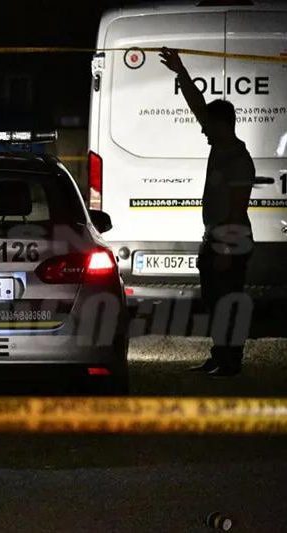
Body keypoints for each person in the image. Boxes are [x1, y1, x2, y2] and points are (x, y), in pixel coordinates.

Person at [160, 47, 255, 377]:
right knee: (216, 301)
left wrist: (226, 250)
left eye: (208, 126)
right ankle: (220, 355)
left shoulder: (238, 160)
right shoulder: (221, 147)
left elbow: (238, 210)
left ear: (222, 125)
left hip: (230, 241)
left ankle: (230, 361)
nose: (203, 130)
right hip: (215, 238)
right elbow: (198, 106)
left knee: (228, 302)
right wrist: (181, 72)